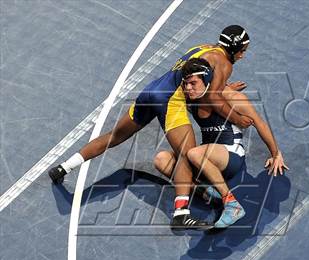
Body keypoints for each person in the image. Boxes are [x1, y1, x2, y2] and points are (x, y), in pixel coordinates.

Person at [49, 25, 253, 230]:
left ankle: (64, 167)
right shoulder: (224, 63)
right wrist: (237, 117)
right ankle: (182, 213)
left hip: (152, 90)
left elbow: (198, 81)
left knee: (114, 136)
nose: (243, 55)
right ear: (235, 48)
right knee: (186, 154)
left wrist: (223, 88)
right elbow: (211, 98)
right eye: (243, 50)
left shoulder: (202, 47)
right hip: (169, 100)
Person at [154, 58, 289, 228]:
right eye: (186, 84)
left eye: (193, 83)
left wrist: (275, 153)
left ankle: (232, 204)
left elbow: (259, 123)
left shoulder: (232, 98)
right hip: (206, 158)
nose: (188, 88)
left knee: (193, 153)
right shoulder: (192, 98)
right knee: (161, 159)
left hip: (230, 155)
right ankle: (204, 191)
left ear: (207, 80)